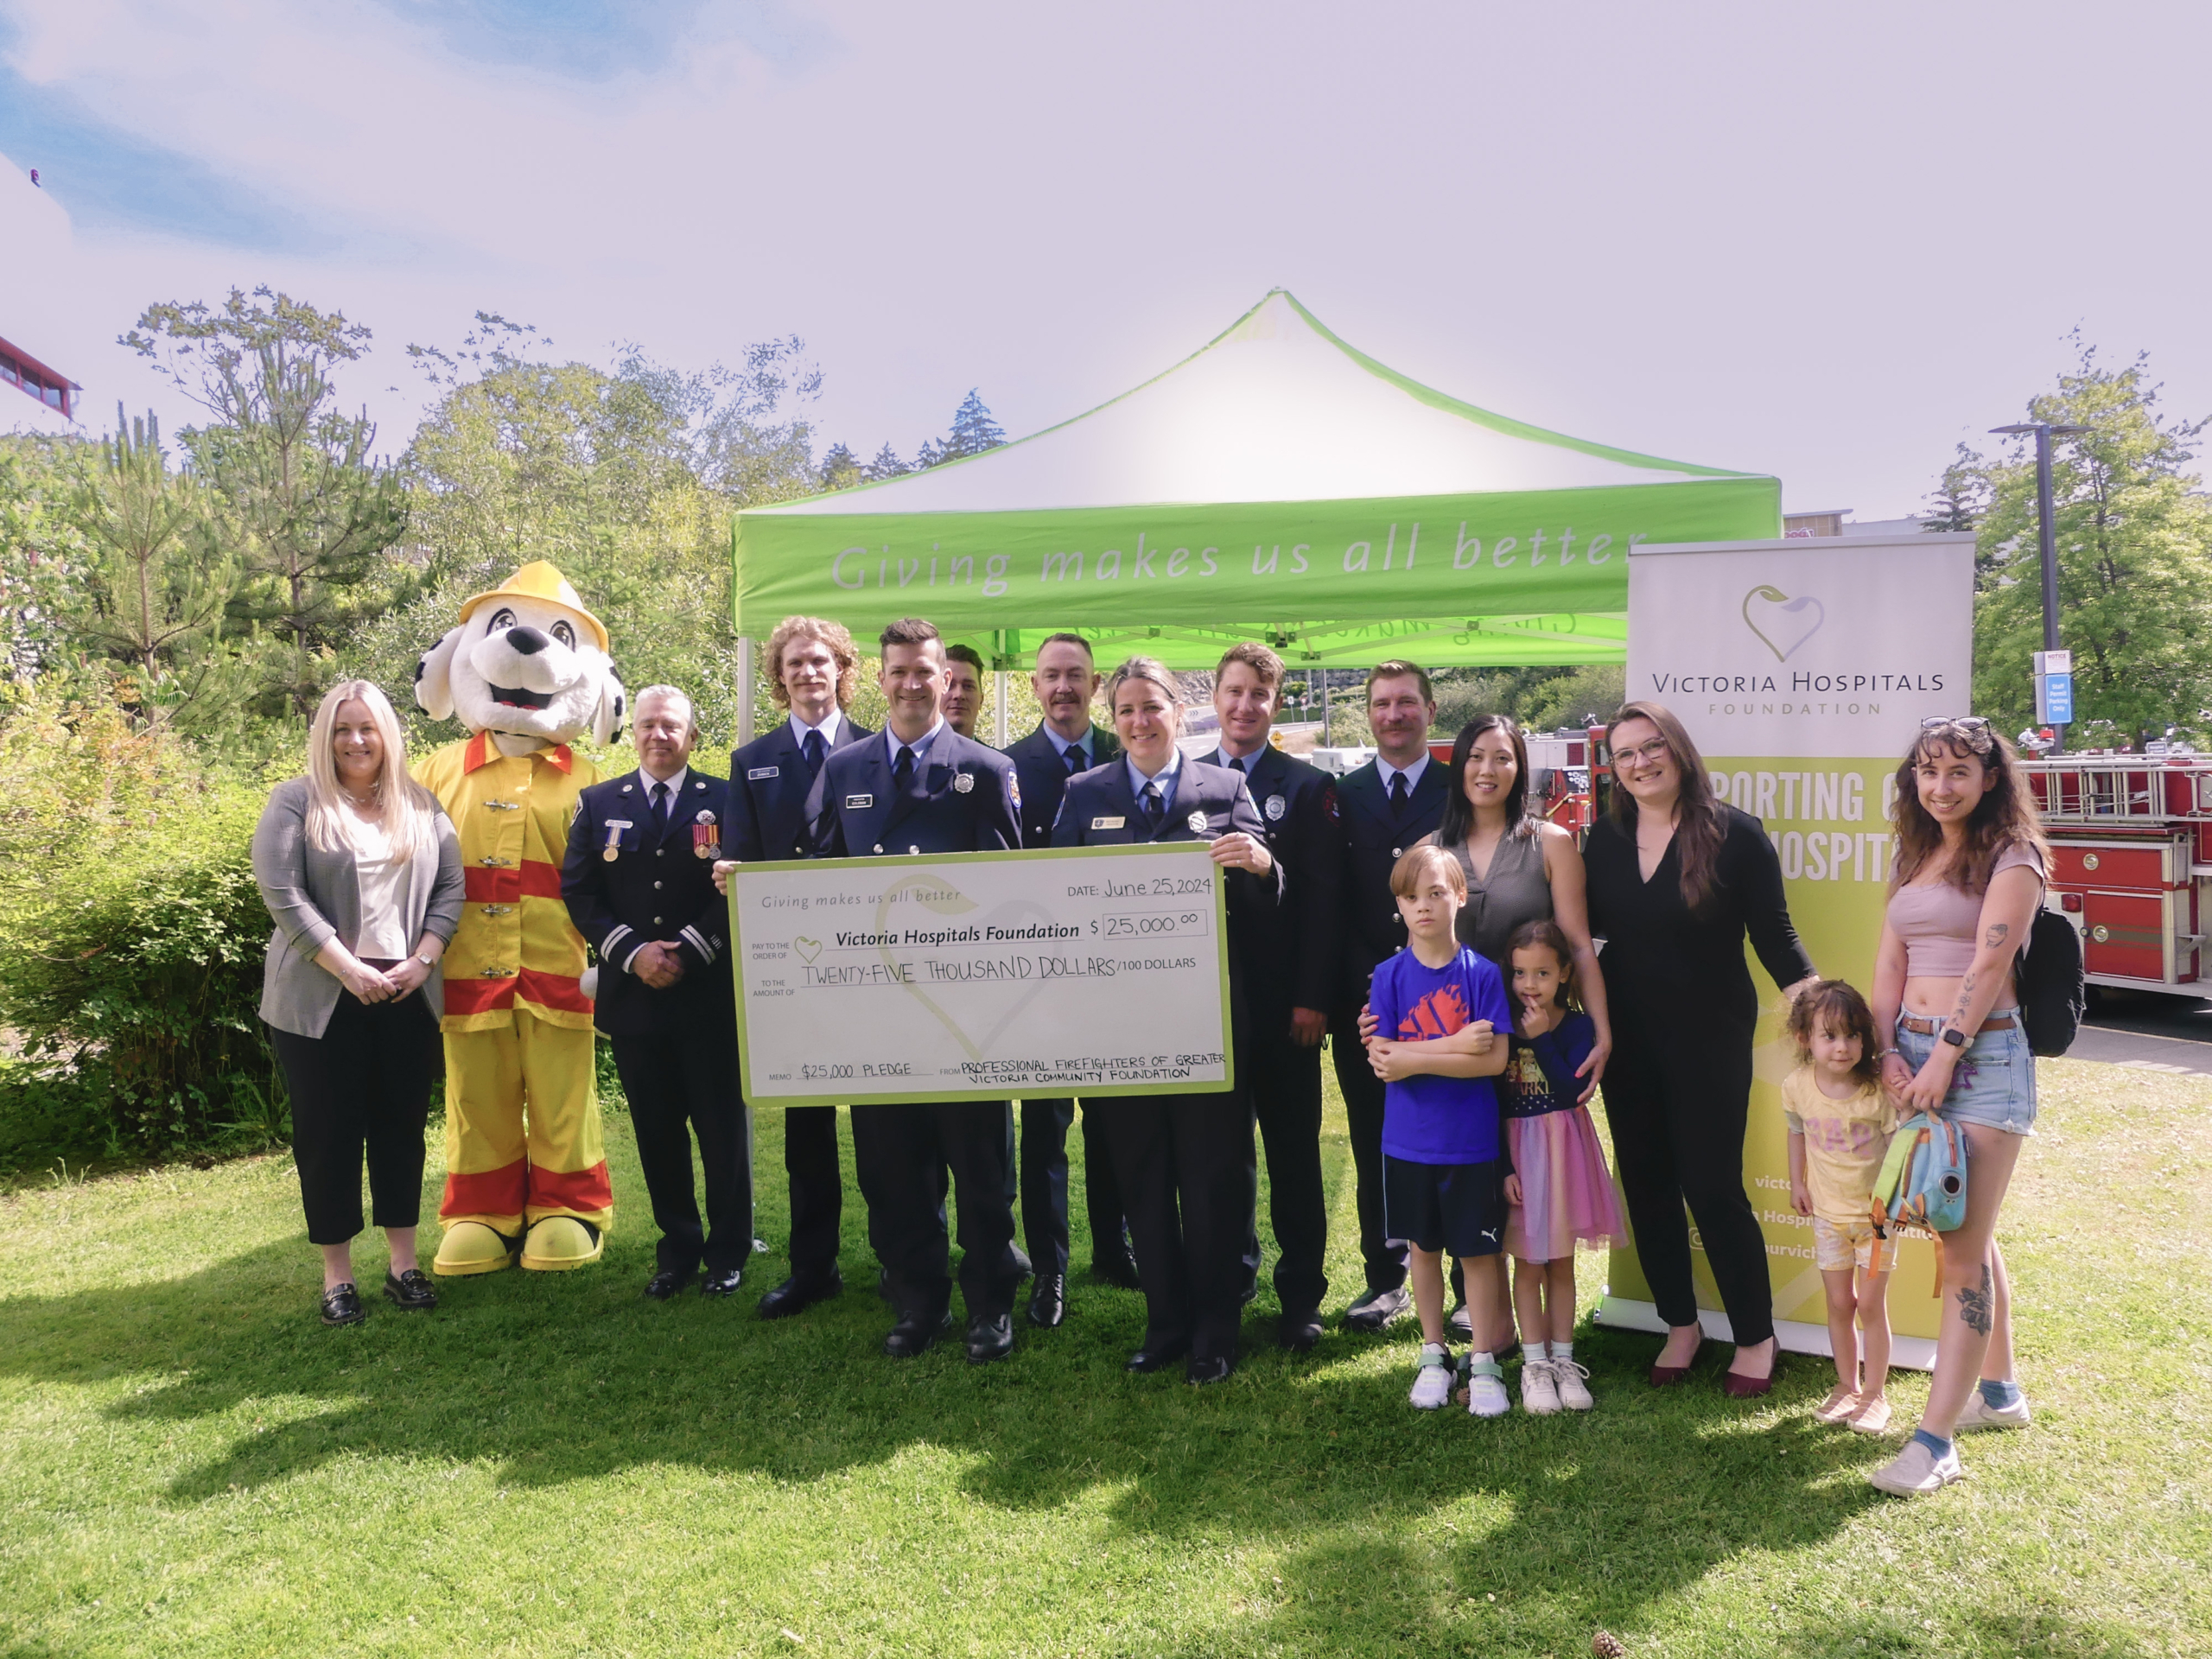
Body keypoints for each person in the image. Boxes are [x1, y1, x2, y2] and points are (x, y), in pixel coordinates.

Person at [802, 617, 1030, 1363]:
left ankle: (991, 1303)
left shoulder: (985, 769)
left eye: (923, 672)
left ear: (945, 679)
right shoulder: (844, 769)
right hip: (880, 1016)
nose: (910, 684)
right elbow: (824, 884)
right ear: (878, 677)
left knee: (981, 1170)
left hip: (964, 1017)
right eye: (897, 671)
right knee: (891, 1169)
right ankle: (917, 1300)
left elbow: (1008, 892)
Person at [1052, 656, 1281, 1383]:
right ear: (1111, 720)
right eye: (1125, 711)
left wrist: (1260, 864)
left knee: (1214, 1173)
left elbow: (1270, 900)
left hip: (1208, 1022)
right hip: (1121, 1028)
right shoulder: (1082, 794)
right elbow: (1055, 899)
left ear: (1179, 713)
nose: (1140, 722)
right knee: (1143, 1174)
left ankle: (1216, 1324)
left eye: (1152, 707)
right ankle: (1166, 1320)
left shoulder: (1226, 787)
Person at [1583, 700, 1818, 1397]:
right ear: (1615, 770)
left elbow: (1776, 938)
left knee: (1712, 1187)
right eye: (1625, 754)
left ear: (1678, 750)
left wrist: (1821, 1006)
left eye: (1651, 746)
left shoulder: (1736, 835)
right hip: (1628, 1042)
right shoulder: (1603, 840)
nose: (1640, 762)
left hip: (1709, 1039)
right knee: (1647, 1185)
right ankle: (1679, 1325)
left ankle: (1755, 1334)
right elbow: (1582, 941)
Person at [1866, 717, 2047, 1497]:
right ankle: (2000, 1393)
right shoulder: (1915, 852)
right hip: (1912, 1058)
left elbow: (1991, 957)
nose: (1940, 787)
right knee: (1964, 1229)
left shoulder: (2016, 858)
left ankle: (1935, 1443)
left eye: (1958, 773)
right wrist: (1888, 1056)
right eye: (1927, 772)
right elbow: (1888, 966)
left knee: (1961, 1248)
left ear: (1990, 778)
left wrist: (1942, 1055)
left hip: (1983, 1059)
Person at [251, 680, 463, 1325]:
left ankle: (404, 1265)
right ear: (326, 736)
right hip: (322, 995)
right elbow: (281, 891)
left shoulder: (422, 806)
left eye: (367, 728)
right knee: (329, 1134)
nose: (356, 740)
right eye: (343, 729)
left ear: (388, 735)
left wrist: (421, 960)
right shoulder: (295, 802)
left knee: (400, 1127)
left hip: (404, 988)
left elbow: (451, 889)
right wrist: (348, 970)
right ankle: (337, 1277)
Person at [1413, 712, 1616, 1357]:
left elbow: (1580, 947)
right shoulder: (1433, 847)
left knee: (1526, 1193)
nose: (1487, 770)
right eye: (1475, 756)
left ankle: (1525, 1346)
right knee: (1477, 1187)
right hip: (1460, 1047)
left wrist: (1602, 1033)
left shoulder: (1552, 842)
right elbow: (1416, 948)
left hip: (1531, 1046)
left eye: (1502, 758)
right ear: (1458, 764)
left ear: (1519, 767)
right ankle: (1487, 1336)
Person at [563, 685, 750, 1301]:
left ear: (692, 736)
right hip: (636, 1000)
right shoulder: (598, 803)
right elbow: (580, 893)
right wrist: (633, 952)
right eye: (647, 725)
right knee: (658, 1133)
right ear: (633, 733)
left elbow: (741, 888)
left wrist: (690, 950)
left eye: (672, 726)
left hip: (709, 998)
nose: (658, 736)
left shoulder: (724, 800)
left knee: (723, 1132)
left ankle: (728, 1253)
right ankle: (677, 1252)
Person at [726, 616, 872, 1320]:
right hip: (794, 970)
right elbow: (743, 855)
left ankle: (903, 1256)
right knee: (807, 1128)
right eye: (794, 663)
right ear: (778, 677)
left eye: (820, 661)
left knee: (884, 1122)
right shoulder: (750, 760)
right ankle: (813, 1267)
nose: (808, 673)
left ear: (842, 668)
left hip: (873, 966)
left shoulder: (879, 750)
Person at [1198, 641, 1343, 1351]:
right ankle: (1233, 1280)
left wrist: (1313, 998)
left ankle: (1301, 1297)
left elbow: (1322, 905)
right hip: (1208, 1013)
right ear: (1216, 698)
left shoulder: (1308, 786)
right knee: (1223, 1161)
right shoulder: (1188, 781)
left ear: (1275, 703)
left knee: (1293, 1157)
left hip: (1287, 1008)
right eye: (1232, 691)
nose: (1243, 705)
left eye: (1258, 693)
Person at [1002, 631, 1137, 1313]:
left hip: (1111, 980)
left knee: (1114, 1124)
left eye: (1076, 675)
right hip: (1037, 981)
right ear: (1033, 686)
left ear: (1096, 684)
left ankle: (1115, 1249)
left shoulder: (1130, 755)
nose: (1063, 687)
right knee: (1045, 1128)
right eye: (1051, 675)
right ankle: (1050, 1270)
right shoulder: (1006, 766)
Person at [1360, 846, 1514, 1414]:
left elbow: (1494, 1061)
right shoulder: (1388, 976)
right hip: (1407, 1141)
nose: (1422, 906)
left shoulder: (1484, 975)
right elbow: (1384, 1060)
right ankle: (1432, 1353)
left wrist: (1412, 1055)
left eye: (1436, 893)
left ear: (1460, 897)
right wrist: (1450, 1046)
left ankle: (1484, 1360)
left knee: (1477, 1255)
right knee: (1422, 1249)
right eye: (1410, 896)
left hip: (1470, 1142)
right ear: (1398, 905)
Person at [1329, 662, 1451, 1333]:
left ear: (1430, 711)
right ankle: (1386, 1277)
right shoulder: (1340, 793)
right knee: (1375, 1138)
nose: (1394, 714)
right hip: (1370, 1006)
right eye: (1382, 704)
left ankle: (1467, 1282)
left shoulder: (1461, 790)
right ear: (1368, 715)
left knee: (1458, 1134)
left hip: (1448, 1003)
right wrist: (1350, 993)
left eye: (1408, 703)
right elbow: (1333, 903)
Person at [1496, 919, 1620, 1414]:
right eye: (1521, 972)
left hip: (1564, 1152)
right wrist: (1503, 1166)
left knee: (1561, 1262)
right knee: (1527, 1263)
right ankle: (1534, 1365)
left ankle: (1565, 1361)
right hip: (1521, 1157)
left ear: (1565, 974)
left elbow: (1572, 1092)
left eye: (1543, 973)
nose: (1530, 984)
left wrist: (1544, 1038)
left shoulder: (1578, 1027)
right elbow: (1494, 1102)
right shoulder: (1503, 1023)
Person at [1783, 978, 1897, 1435]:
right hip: (1828, 1218)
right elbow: (1795, 1133)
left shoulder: (1876, 1091)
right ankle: (1845, 1387)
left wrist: (1894, 1198)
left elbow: (1896, 1145)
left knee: (1870, 1305)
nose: (1843, 1047)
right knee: (1838, 1302)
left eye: (1852, 1034)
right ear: (1804, 1039)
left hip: (1877, 1222)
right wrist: (1797, 1181)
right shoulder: (1795, 1086)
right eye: (1829, 1036)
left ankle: (1875, 1395)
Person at [942, 642, 985, 739]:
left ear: (981, 700)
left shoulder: (994, 754)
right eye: (949, 685)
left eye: (968, 686)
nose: (959, 695)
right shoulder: (908, 753)